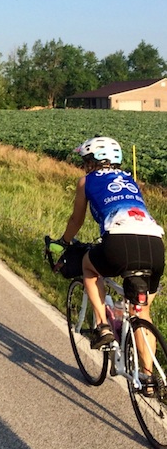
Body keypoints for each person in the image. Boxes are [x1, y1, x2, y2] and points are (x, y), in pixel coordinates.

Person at [54, 137, 164, 372]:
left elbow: (77, 219)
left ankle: (103, 325)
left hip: (118, 241)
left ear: (94, 162)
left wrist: (63, 241)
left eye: (86, 161)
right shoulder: (131, 181)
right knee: (142, 311)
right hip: (155, 243)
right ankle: (148, 379)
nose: (84, 166)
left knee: (89, 267)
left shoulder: (86, 182)